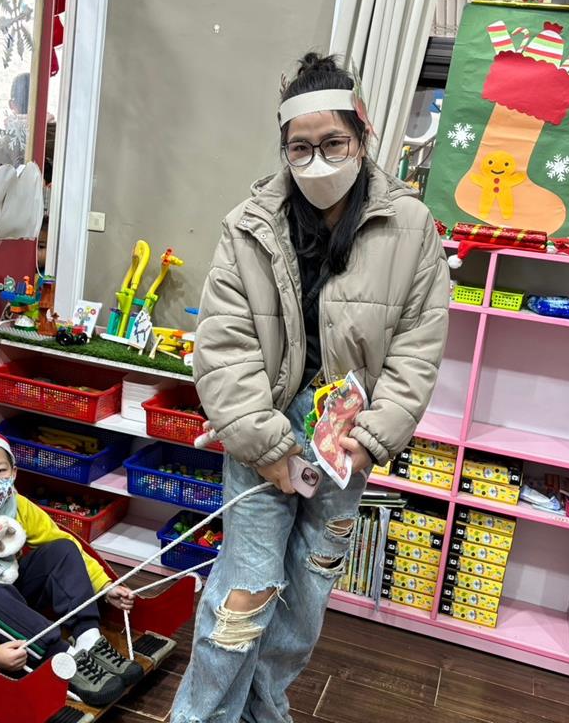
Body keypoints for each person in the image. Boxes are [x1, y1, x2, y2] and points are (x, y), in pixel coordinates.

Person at [170, 53, 450, 723]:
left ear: (364, 135)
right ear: (284, 148)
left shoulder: (411, 226)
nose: (317, 161)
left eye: (333, 143)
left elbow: (418, 344)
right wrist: (265, 445)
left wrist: (375, 436)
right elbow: (224, 344)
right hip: (264, 426)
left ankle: (263, 712)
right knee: (247, 591)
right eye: (301, 147)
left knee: (306, 595)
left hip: (347, 435)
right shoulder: (249, 225)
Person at [0, 403, 138, 707]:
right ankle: (62, 656)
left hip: (14, 591)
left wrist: (103, 586)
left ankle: (88, 637)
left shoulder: (16, 504)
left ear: (13, 473)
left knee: (62, 548)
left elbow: (58, 540)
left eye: (0, 471)